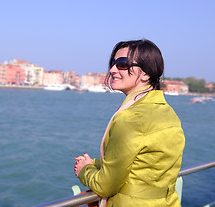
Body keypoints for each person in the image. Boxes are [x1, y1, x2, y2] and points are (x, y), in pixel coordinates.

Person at [74, 39, 185, 207]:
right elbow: (143, 166)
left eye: (122, 64)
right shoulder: (169, 113)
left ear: (146, 73)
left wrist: (85, 170)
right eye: (113, 63)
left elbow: (105, 186)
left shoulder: (129, 118)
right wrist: (96, 163)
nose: (112, 70)